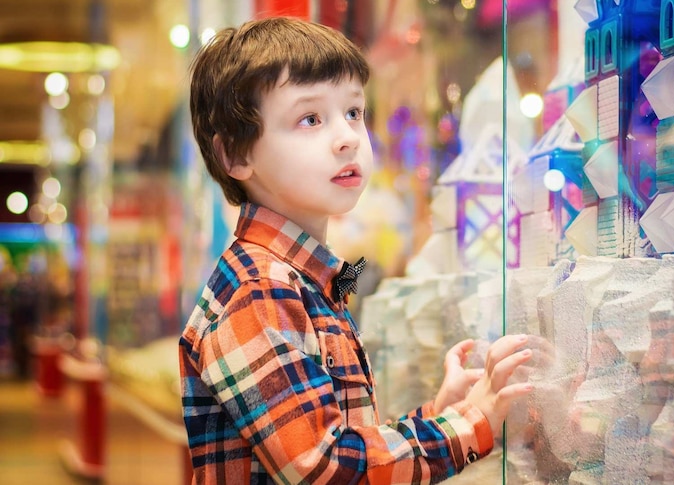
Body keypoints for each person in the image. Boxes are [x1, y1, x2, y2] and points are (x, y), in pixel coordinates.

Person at [179, 16, 534, 484]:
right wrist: (471, 425)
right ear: (236, 156)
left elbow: (339, 434)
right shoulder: (258, 290)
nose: (348, 137)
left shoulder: (304, 278)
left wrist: (439, 413)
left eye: (354, 112)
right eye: (310, 119)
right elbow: (325, 468)